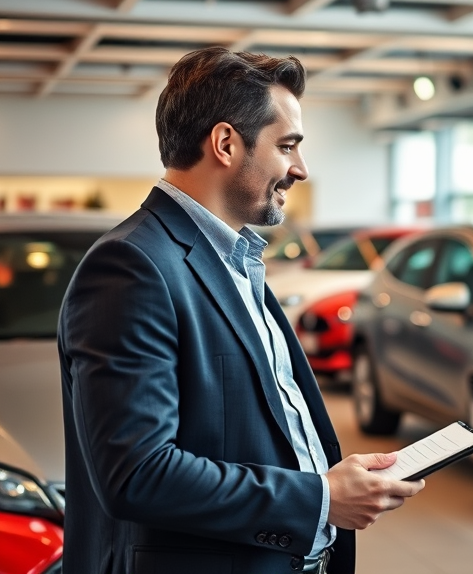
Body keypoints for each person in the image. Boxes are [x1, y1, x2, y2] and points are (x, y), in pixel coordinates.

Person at [58, 47, 423, 574]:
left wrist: (333, 480)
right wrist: (318, 497)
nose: (300, 169)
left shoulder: (234, 259)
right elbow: (138, 473)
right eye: (288, 146)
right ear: (226, 143)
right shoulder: (131, 267)